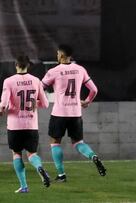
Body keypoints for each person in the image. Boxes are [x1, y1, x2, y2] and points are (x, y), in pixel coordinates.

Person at [41, 44, 106, 182]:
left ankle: (61, 175)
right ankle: (93, 156)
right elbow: (94, 90)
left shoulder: (54, 71)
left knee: (55, 143)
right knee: (78, 142)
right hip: (76, 113)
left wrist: (39, 101)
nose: (57, 56)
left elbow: (40, 89)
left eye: (58, 54)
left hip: (59, 112)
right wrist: (87, 101)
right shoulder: (80, 69)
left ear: (62, 55)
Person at [0, 55, 50, 193]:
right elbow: (45, 104)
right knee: (32, 154)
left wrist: (0, 109)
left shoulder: (9, 81)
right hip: (31, 125)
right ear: (28, 65)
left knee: (16, 153)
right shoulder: (36, 80)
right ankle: (39, 167)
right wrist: (34, 103)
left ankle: (24, 186)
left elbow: (3, 103)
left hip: (15, 125)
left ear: (16, 65)